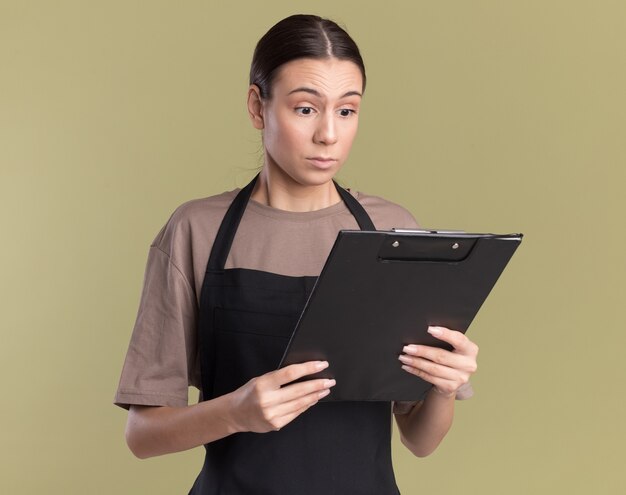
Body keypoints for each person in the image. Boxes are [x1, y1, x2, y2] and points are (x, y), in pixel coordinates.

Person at [114, 14, 478, 494]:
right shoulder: (195, 230)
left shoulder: (395, 232)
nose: (328, 134)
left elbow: (419, 439)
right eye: (306, 109)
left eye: (347, 111)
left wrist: (445, 386)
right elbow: (143, 436)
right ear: (256, 107)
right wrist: (235, 411)